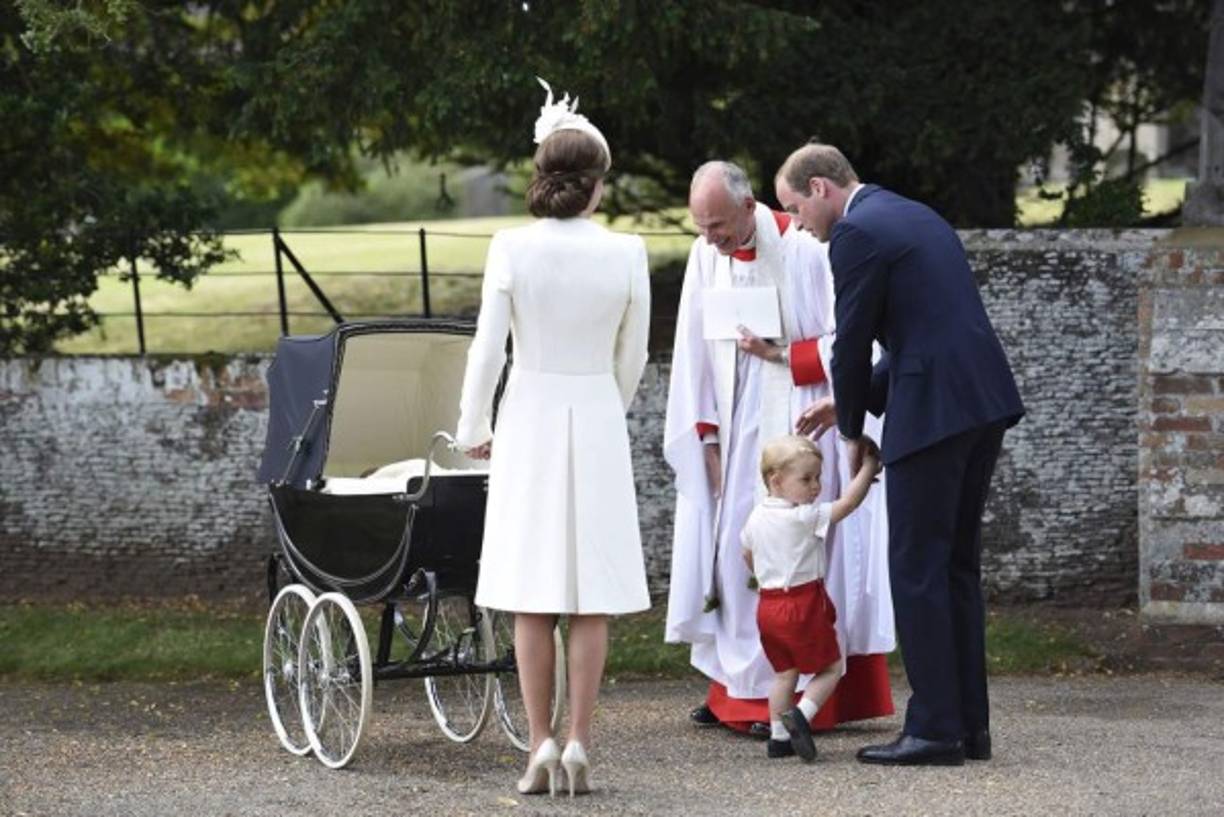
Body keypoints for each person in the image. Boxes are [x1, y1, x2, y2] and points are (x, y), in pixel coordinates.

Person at [775, 143, 1025, 766]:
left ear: (820, 188)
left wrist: (852, 428)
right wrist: (852, 403)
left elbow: (851, 344)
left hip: (934, 414)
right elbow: (924, 329)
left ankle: (935, 731)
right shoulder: (914, 214)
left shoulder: (854, 234)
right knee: (955, 569)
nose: (799, 223)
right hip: (980, 401)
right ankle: (969, 726)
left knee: (916, 569)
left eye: (795, 208)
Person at [455, 80, 651, 796]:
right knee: (588, 594)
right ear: (597, 183)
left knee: (530, 593)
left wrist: (475, 424)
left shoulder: (510, 246)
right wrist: (608, 404)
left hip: (530, 412)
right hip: (594, 413)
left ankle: (538, 741)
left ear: (544, 176)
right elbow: (632, 358)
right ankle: (578, 742)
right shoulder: (627, 252)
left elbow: (487, 351)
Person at [663, 160, 895, 739]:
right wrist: (706, 434)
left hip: (802, 415)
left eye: (717, 223)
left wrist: (787, 358)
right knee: (736, 553)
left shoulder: (807, 248)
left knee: (807, 552)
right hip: (736, 423)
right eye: (701, 226)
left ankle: (820, 697)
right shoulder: (703, 256)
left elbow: (854, 331)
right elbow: (692, 345)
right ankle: (734, 692)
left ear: (749, 208)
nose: (709, 237)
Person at [741, 434, 882, 762]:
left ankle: (778, 739)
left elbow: (747, 554)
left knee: (784, 673)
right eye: (806, 479)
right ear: (776, 481)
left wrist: (766, 573)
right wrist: (869, 467)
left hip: (768, 605)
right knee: (833, 667)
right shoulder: (802, 517)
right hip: (802, 603)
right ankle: (802, 715)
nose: (816, 486)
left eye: (818, 477)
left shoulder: (755, 517)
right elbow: (847, 504)